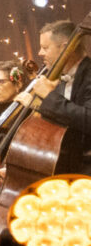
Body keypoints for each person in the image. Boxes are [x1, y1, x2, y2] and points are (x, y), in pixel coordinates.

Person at [19, 20, 91, 171]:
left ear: (65, 48)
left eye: (45, 48)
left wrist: (49, 96)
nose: (40, 53)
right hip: (66, 166)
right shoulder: (60, 78)